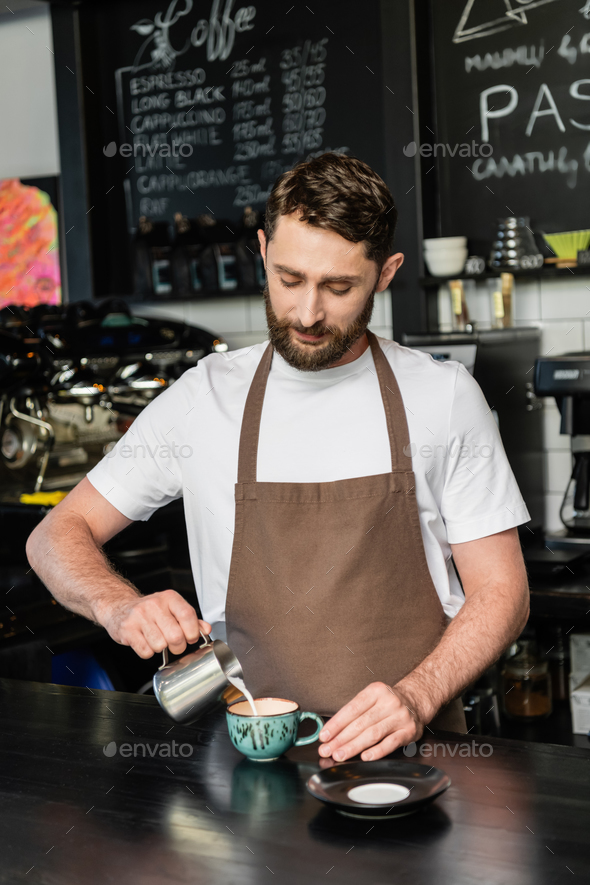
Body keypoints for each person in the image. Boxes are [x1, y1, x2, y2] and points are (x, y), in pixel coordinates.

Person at [26, 153, 530, 763]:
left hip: (413, 752)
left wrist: (419, 696)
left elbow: (502, 590)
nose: (308, 313)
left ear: (387, 272)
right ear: (263, 250)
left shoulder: (444, 397)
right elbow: (55, 535)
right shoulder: (203, 398)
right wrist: (118, 603)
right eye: (289, 278)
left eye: (339, 287)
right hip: (248, 753)